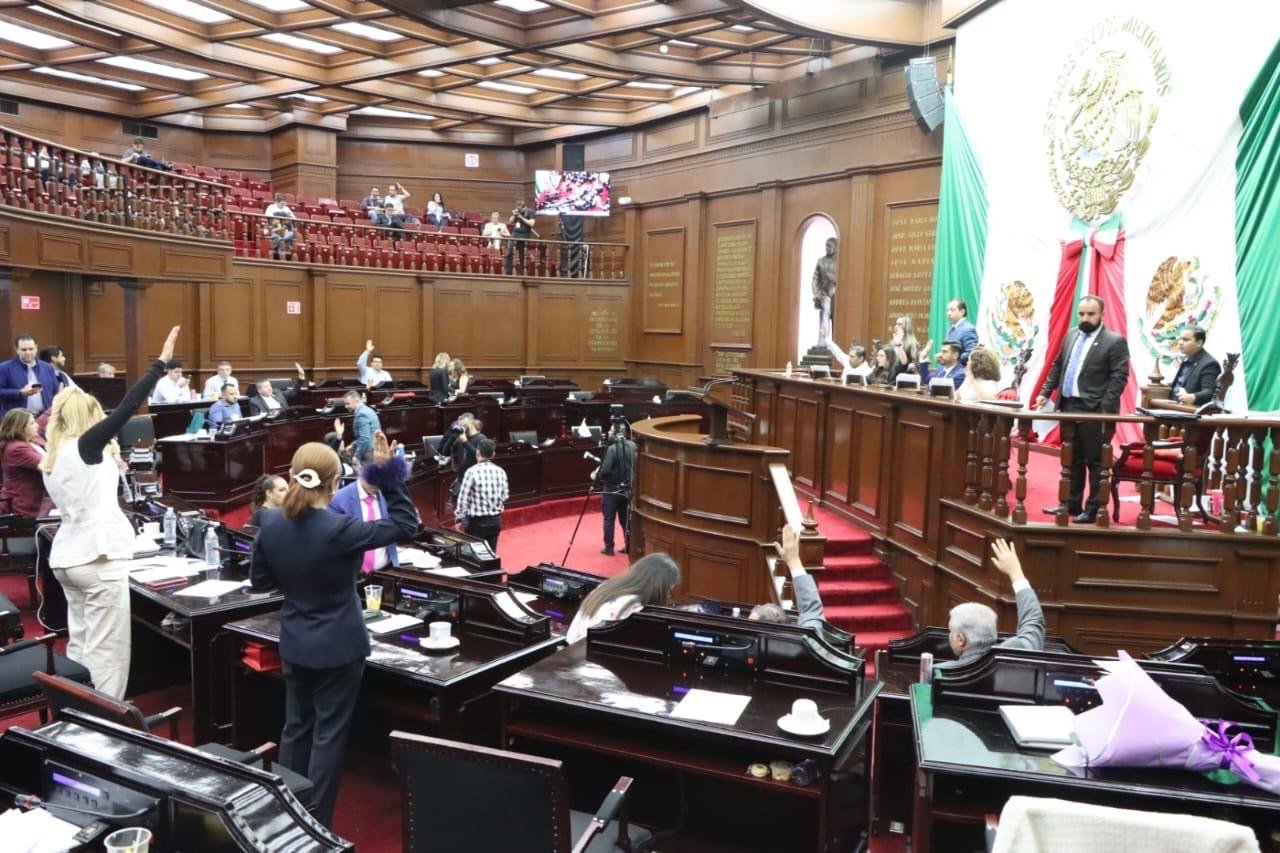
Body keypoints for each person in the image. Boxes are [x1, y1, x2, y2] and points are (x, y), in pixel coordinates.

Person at [249, 432, 417, 827]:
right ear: (335, 482)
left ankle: (287, 817)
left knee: (296, 729)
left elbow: (260, 582)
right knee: (327, 736)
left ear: (292, 475)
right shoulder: (341, 528)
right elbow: (406, 524)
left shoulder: (270, 522)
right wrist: (387, 473)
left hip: (295, 642)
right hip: (339, 647)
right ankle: (317, 825)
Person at [41, 326, 180, 699]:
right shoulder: (85, 445)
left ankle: (76, 709)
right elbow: (128, 406)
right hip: (98, 558)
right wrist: (159, 365)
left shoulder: (52, 456)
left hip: (68, 557)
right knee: (109, 649)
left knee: (81, 641)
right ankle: (106, 719)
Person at [1036, 295, 1131, 523]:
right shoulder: (1071, 335)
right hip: (1069, 406)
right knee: (1072, 459)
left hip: (1095, 411)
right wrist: (1045, 392)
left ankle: (1093, 509)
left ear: (1102, 315)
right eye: (1081, 314)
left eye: (1090, 314)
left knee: (1096, 462)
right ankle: (1071, 503)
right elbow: (1058, 365)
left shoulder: (1114, 341)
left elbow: (1119, 377)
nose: (1085, 318)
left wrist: (1105, 408)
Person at [940, 539, 1044, 668]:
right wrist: (1016, 572)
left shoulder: (939, 672)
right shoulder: (1019, 652)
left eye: (951, 631)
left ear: (961, 639)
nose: (949, 635)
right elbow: (1034, 621)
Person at [565, 553, 680, 644]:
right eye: (668, 591)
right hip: (586, 660)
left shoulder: (607, 586)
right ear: (658, 587)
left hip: (570, 652)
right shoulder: (633, 607)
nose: (668, 596)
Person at [329, 466, 403, 574]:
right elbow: (333, 542)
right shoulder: (337, 500)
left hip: (387, 573)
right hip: (352, 576)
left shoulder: (391, 496)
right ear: (360, 468)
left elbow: (400, 527)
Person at [749, 524, 824, 630]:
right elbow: (812, 610)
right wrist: (793, 561)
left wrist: (793, 561)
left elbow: (812, 610)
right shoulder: (807, 636)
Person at [454, 438, 507, 551]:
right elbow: (505, 496)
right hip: (495, 521)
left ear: (477, 452)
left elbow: (463, 499)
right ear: (493, 454)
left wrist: (459, 518)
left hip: (477, 523)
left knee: (475, 555)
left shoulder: (471, 472)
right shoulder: (501, 471)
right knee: (491, 555)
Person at [595, 422, 636, 556]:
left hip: (611, 490)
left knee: (609, 519)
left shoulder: (612, 449)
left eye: (611, 431)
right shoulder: (633, 446)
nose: (609, 433)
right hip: (627, 490)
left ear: (617, 433)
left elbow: (605, 471)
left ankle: (609, 548)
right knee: (625, 520)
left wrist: (599, 475)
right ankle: (629, 546)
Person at [0, 409, 48, 518]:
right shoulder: (17, 448)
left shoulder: (29, 441)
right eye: (32, 423)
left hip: (34, 503)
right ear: (20, 427)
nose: (37, 425)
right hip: (23, 509)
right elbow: (47, 466)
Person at [0, 334, 57, 417]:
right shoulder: (4, 368)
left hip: (44, 417)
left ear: (36, 348)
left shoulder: (47, 367)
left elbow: (54, 391)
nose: (28, 352)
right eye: (24, 350)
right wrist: (20, 392)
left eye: (31, 349)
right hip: (18, 420)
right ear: (17, 350)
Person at [1169, 326, 1221, 407]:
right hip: (1172, 405)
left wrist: (1194, 397)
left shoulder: (1209, 364)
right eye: (1180, 339)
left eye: (1185, 340)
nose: (1180, 343)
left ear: (1199, 343)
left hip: (1190, 410)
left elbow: (1210, 392)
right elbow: (1179, 385)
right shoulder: (1187, 358)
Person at [811, 237, 838, 346]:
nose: (827, 248)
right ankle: (822, 344)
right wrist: (816, 293)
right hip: (824, 295)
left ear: (836, 247)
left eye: (830, 246)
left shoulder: (841, 261)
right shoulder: (820, 262)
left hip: (836, 296)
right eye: (826, 246)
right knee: (824, 320)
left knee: (836, 321)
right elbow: (815, 279)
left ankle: (835, 345)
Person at [342, 390, 381, 463]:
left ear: (356, 401)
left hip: (368, 453)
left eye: (348, 404)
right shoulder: (368, 409)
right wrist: (353, 445)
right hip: (375, 449)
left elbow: (365, 438)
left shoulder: (361, 414)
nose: (345, 406)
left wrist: (357, 456)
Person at [504, 200, 536, 274]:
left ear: (524, 207)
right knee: (509, 253)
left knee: (522, 255)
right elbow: (510, 221)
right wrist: (514, 215)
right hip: (514, 234)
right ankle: (508, 272)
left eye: (520, 209)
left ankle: (521, 273)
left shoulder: (530, 212)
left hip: (524, 235)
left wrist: (521, 217)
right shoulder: (517, 211)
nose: (519, 210)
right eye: (518, 208)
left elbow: (531, 223)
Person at [944, 298, 979, 365]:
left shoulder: (968, 329)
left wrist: (952, 358)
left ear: (962, 312)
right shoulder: (951, 330)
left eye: (952, 310)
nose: (948, 313)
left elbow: (971, 353)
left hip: (961, 370)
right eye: (947, 310)